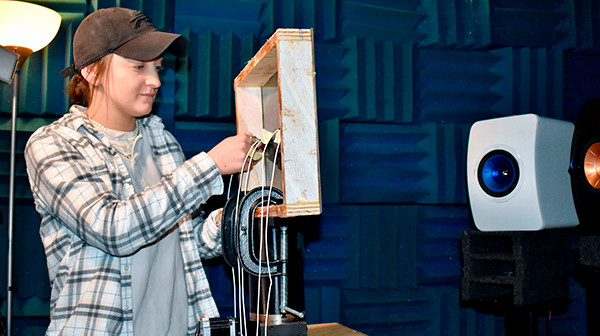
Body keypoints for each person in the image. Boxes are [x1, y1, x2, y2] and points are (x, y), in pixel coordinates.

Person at [24, 7, 253, 336]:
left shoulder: (164, 144)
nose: (156, 81)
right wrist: (211, 165)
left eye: (158, 68)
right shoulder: (53, 144)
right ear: (92, 71)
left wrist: (233, 219)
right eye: (138, 67)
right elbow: (113, 229)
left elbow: (187, 244)